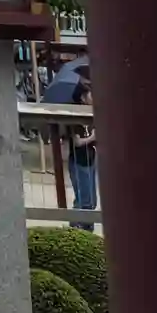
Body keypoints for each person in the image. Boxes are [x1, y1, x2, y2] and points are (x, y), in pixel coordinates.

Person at [68, 80, 100, 232]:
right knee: (84, 201)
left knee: (91, 201)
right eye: (91, 94)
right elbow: (77, 142)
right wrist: (92, 137)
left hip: (91, 159)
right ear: (82, 97)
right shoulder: (74, 115)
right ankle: (77, 230)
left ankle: (87, 231)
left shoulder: (91, 114)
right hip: (79, 161)